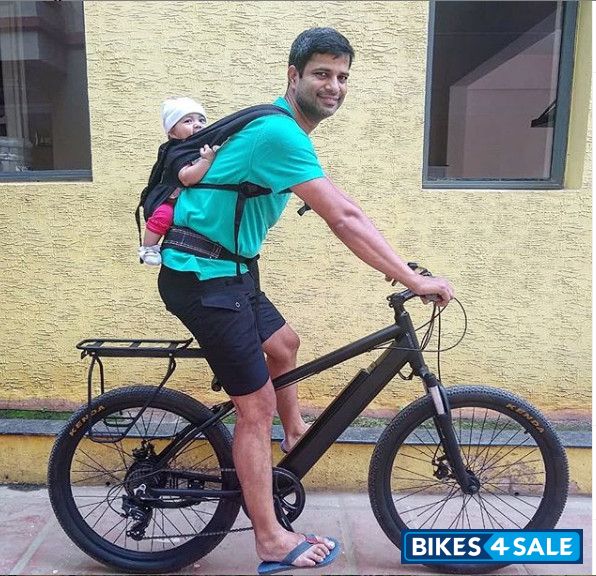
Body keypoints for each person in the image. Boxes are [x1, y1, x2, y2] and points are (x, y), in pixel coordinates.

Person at [157, 28, 454, 573]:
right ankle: (270, 538)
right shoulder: (279, 133)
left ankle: (294, 435)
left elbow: (341, 201)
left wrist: (402, 264)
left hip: (232, 272)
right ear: (293, 76)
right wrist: (411, 281)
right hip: (203, 277)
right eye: (321, 73)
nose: (333, 85)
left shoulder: (285, 132)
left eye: (342, 76)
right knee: (255, 409)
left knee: (285, 345)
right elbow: (342, 217)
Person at [138, 96, 219, 266]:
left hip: (192, 202)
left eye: (201, 120)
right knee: (163, 215)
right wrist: (206, 161)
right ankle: (149, 247)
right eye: (188, 121)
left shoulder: (204, 147)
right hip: (171, 201)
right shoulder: (176, 151)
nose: (197, 124)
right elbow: (187, 178)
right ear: (172, 132)